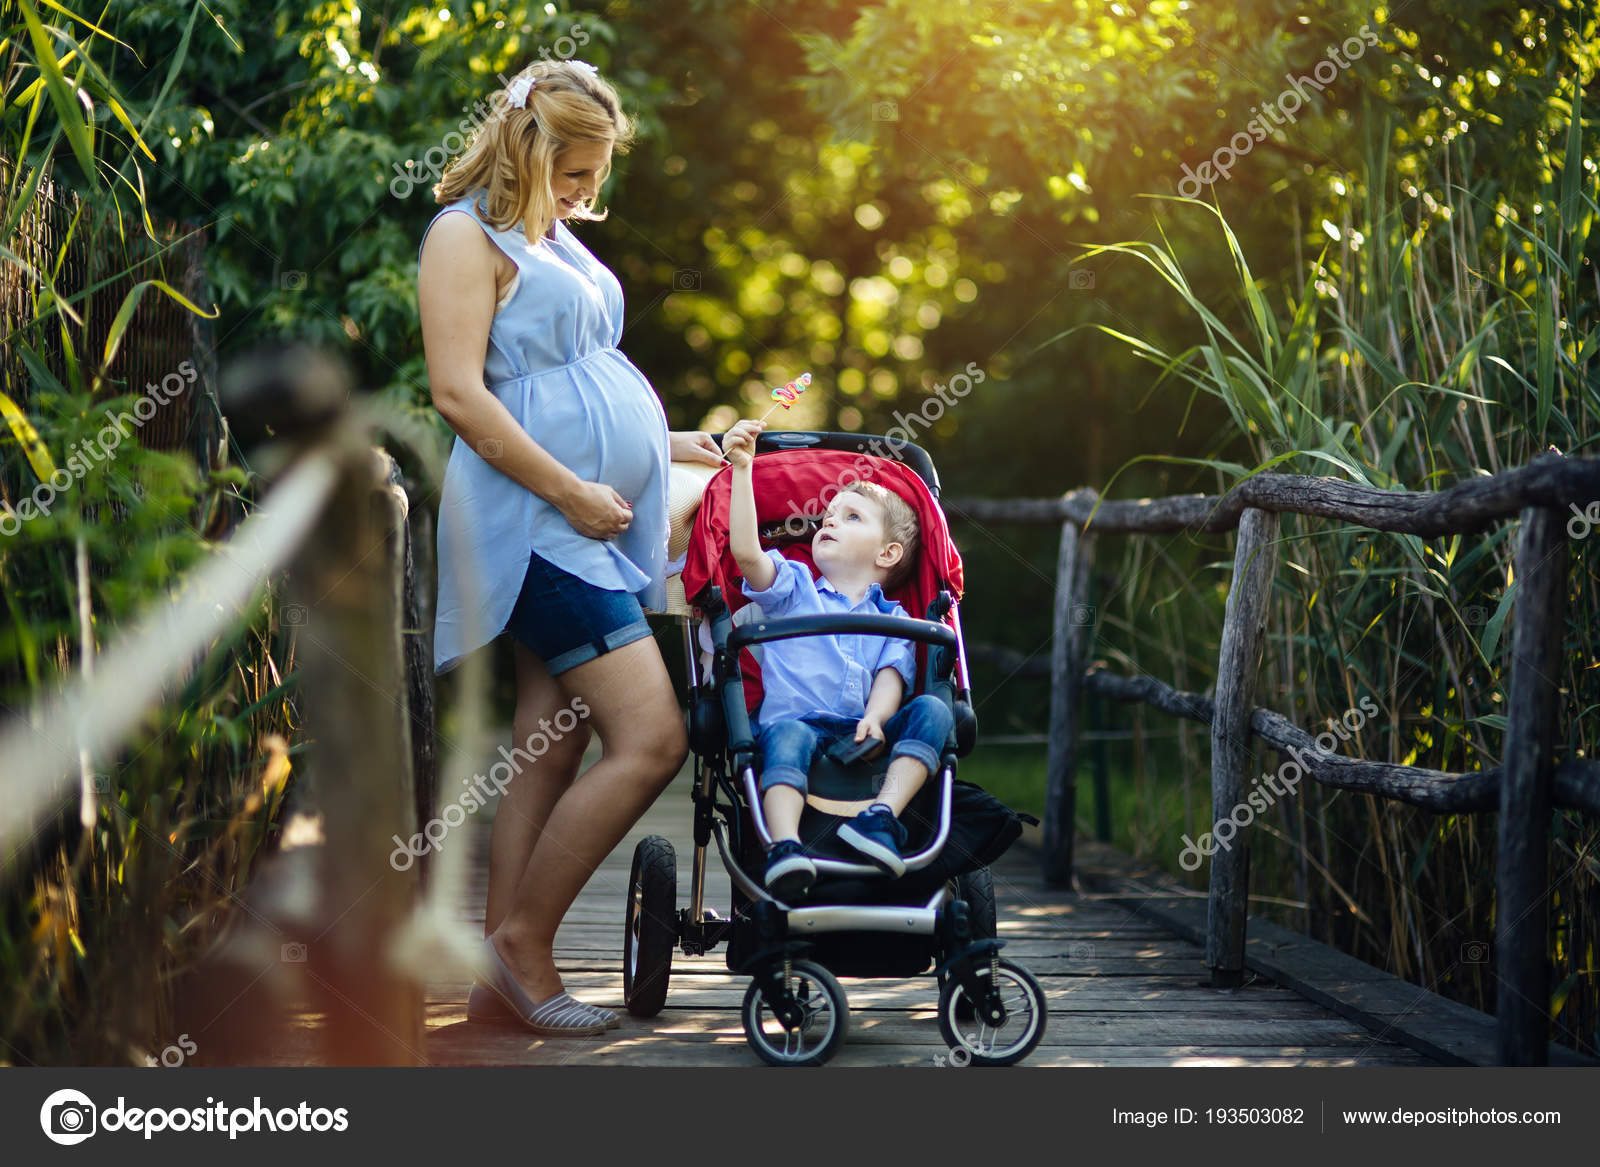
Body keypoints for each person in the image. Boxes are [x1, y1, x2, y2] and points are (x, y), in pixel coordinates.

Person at [417, 59, 720, 1035]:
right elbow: (462, 396)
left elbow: (576, 379)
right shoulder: (463, 238)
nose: (591, 192)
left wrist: (665, 446)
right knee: (653, 739)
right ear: (529, 148)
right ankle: (523, 944)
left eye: (598, 175)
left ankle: (499, 968)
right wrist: (575, 493)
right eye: (577, 172)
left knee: (550, 745)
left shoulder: (546, 235)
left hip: (580, 518)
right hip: (535, 526)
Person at [721, 420, 954, 898]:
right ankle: (783, 846)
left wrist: (876, 716)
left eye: (851, 517)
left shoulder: (897, 620)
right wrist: (743, 470)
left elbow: (891, 679)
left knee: (935, 709)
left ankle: (880, 816)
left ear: (888, 553)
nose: (827, 520)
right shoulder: (792, 588)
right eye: (828, 514)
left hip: (864, 736)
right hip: (798, 723)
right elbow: (746, 553)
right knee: (783, 733)